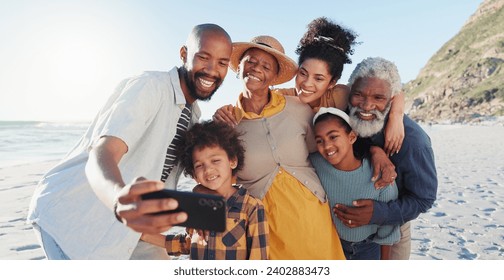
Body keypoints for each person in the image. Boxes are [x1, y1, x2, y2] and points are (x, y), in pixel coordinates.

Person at [26, 23, 233, 259]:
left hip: (129, 229)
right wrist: (118, 200)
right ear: (184, 54)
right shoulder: (150, 87)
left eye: (222, 63)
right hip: (72, 220)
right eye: (203, 57)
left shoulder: (192, 115)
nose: (211, 69)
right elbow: (102, 152)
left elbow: (179, 175)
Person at [216, 35, 345, 259]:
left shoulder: (299, 109)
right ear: (239, 67)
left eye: (266, 66)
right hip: (264, 227)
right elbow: (216, 179)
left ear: (275, 77)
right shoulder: (226, 124)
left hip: (314, 218)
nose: (257, 69)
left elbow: (326, 151)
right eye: (251, 61)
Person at [215, 17, 405, 158]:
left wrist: (396, 117)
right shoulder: (284, 98)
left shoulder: (340, 95)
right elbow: (253, 102)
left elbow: (385, 93)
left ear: (332, 82)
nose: (307, 84)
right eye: (303, 73)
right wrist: (225, 112)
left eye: (319, 78)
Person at [332, 57, 438, 260]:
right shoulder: (344, 118)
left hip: (392, 231)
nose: (366, 105)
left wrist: (378, 213)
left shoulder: (414, 143)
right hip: (343, 233)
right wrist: (374, 149)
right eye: (358, 95)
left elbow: (424, 198)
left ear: (391, 100)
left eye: (378, 98)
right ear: (350, 91)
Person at [142, 121, 269, 260]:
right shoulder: (196, 206)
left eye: (215, 160)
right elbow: (187, 243)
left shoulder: (252, 208)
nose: (208, 170)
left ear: (232, 161)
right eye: (199, 165)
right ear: (194, 175)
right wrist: (143, 234)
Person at [310, 107, 400, 260]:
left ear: (352, 137)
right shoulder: (315, 164)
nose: (327, 146)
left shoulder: (380, 174)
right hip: (332, 245)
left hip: (368, 247)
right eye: (319, 141)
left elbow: (388, 229)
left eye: (333, 137)